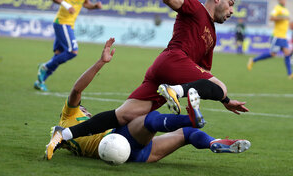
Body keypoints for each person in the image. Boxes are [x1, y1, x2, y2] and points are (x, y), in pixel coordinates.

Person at [46, 0, 249, 156]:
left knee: (124, 114)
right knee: (220, 88)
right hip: (173, 61)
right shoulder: (195, 7)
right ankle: (177, 91)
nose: (232, 10)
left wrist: (223, 101)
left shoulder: (212, 36)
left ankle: (64, 134)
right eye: (231, 3)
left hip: (164, 70)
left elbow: (202, 74)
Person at [45, 38, 251, 162]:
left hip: (135, 156)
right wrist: (100, 63)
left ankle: (213, 142)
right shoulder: (68, 116)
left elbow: (57, 137)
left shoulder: (66, 142)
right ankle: (191, 119)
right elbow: (76, 90)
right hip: (121, 138)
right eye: (84, 109)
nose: (86, 111)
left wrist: (58, 139)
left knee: (187, 135)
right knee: (147, 117)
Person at [34, 0, 102, 91]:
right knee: (72, 51)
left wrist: (95, 6)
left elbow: (85, 3)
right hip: (62, 22)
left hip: (70, 25)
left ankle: (40, 81)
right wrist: (66, 5)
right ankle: (45, 66)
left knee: (59, 55)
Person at [247, 0, 292, 79]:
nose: (284, 0)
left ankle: (290, 74)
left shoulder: (285, 10)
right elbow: (271, 18)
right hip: (277, 36)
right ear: (279, 0)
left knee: (287, 53)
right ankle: (253, 60)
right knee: (273, 54)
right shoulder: (277, 8)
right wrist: (282, 18)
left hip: (284, 36)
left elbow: (286, 22)